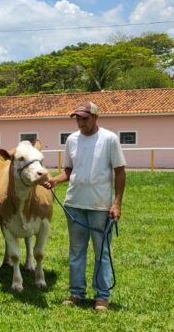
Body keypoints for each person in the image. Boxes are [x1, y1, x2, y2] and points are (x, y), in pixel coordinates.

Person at [44, 102, 126, 312]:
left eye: (85, 119)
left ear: (95, 117)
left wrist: (116, 203)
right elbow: (69, 170)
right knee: (76, 251)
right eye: (78, 119)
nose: (81, 123)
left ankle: (102, 296)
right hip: (74, 204)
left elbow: (119, 172)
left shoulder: (109, 139)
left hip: (100, 206)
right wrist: (55, 181)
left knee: (102, 253)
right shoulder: (72, 140)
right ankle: (76, 293)